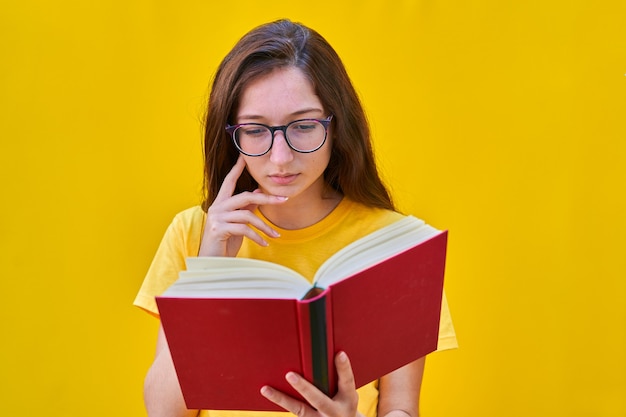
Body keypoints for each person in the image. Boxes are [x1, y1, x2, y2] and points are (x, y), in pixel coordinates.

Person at [134, 19, 457, 417]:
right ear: (230, 132)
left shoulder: (396, 245)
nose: (281, 157)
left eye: (303, 126)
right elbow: (163, 412)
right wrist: (208, 267)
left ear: (336, 125)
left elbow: (401, 408)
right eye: (255, 130)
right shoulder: (194, 233)